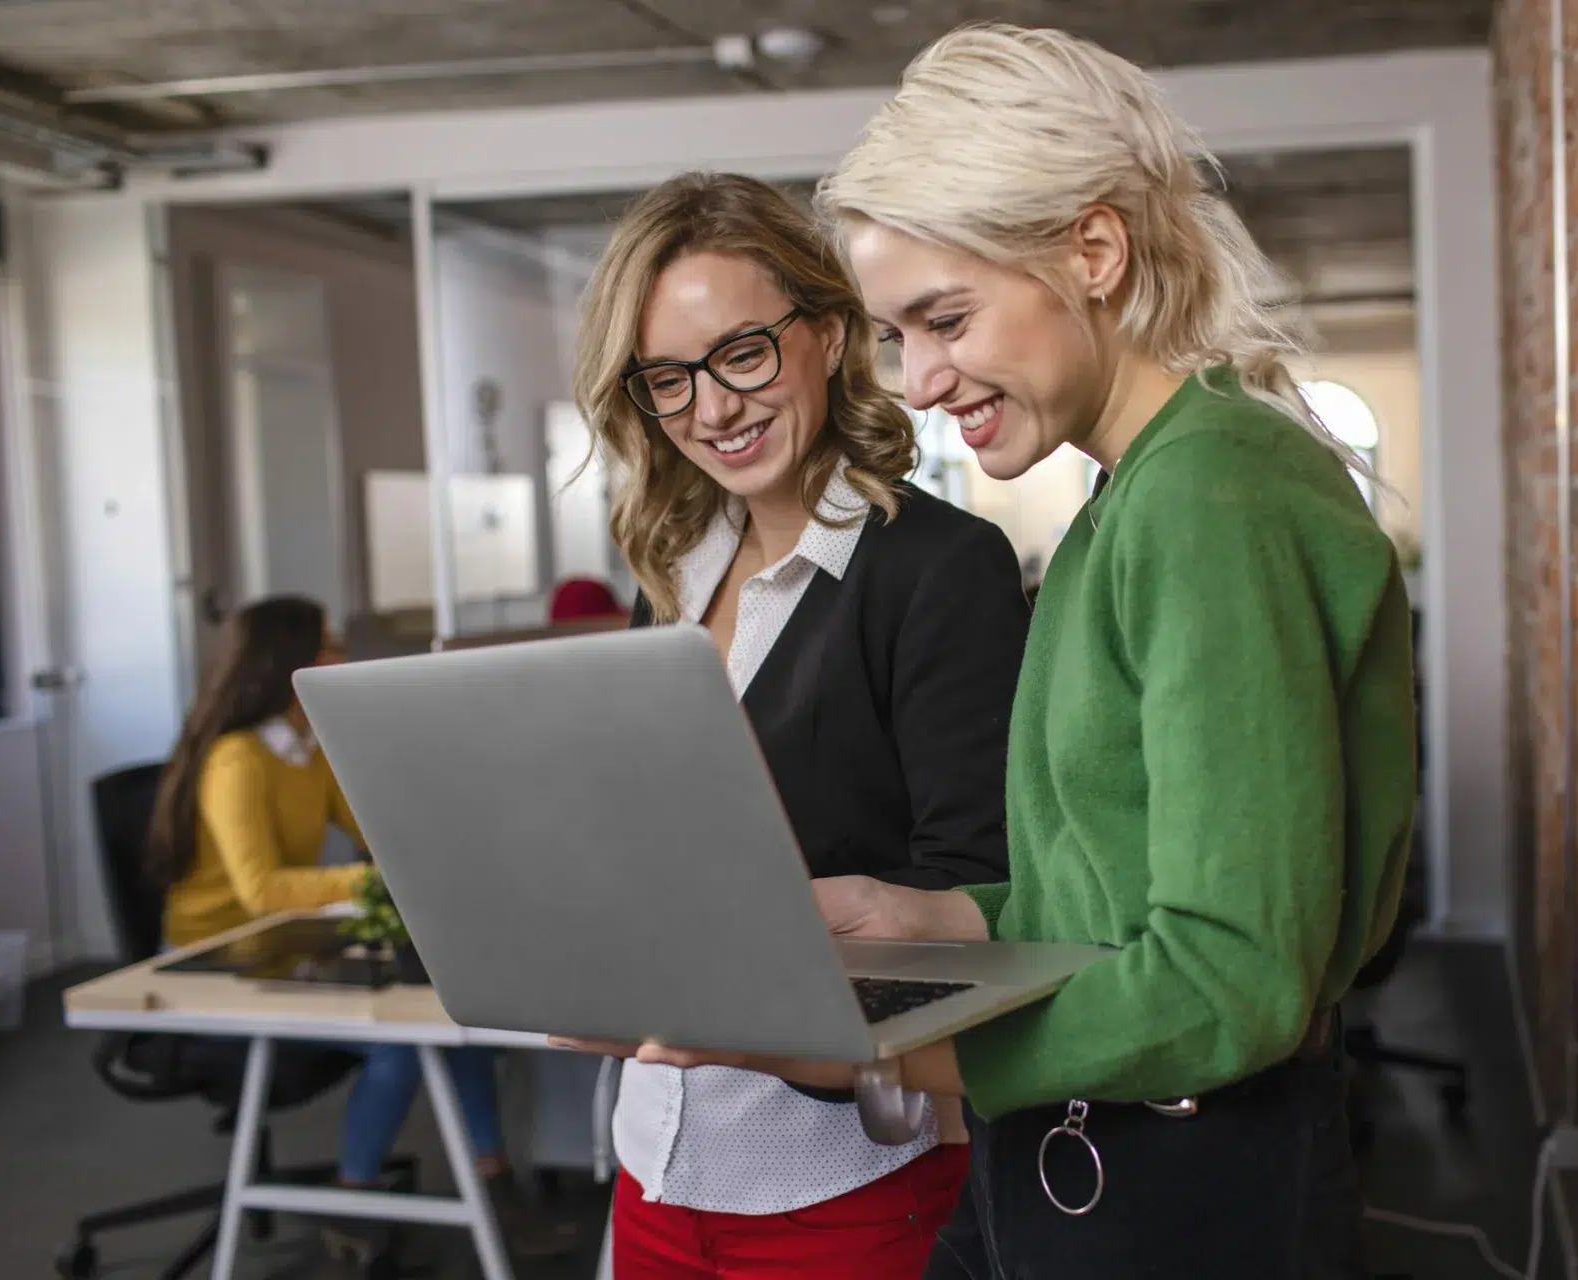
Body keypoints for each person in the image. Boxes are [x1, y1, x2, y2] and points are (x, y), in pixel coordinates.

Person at [620, 25, 1418, 1279]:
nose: (921, 379)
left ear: (1093, 251)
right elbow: (1102, 899)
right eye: (897, 333)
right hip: (1080, 1157)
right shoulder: (1126, 497)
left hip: (1180, 1184)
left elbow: (1228, 979)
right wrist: (922, 913)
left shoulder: (1211, 494)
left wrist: (861, 1050)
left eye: (944, 318)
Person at [559, 171, 1028, 1280]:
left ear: (825, 334)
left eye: (743, 352)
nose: (712, 407)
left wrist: (775, 1022)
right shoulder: (669, 577)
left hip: (842, 1176)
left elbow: (979, 889)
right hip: (657, 1159)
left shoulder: (935, 569)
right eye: (668, 378)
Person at [146, 596, 575, 1269]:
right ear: (284, 663)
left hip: (287, 944)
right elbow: (261, 890)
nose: (341, 658)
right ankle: (354, 1199)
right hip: (219, 959)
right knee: (399, 1045)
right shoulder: (238, 760)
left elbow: (375, 828)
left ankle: (493, 1182)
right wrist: (379, 882)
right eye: (328, 646)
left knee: (448, 1012)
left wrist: (441, 842)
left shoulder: (305, 746)